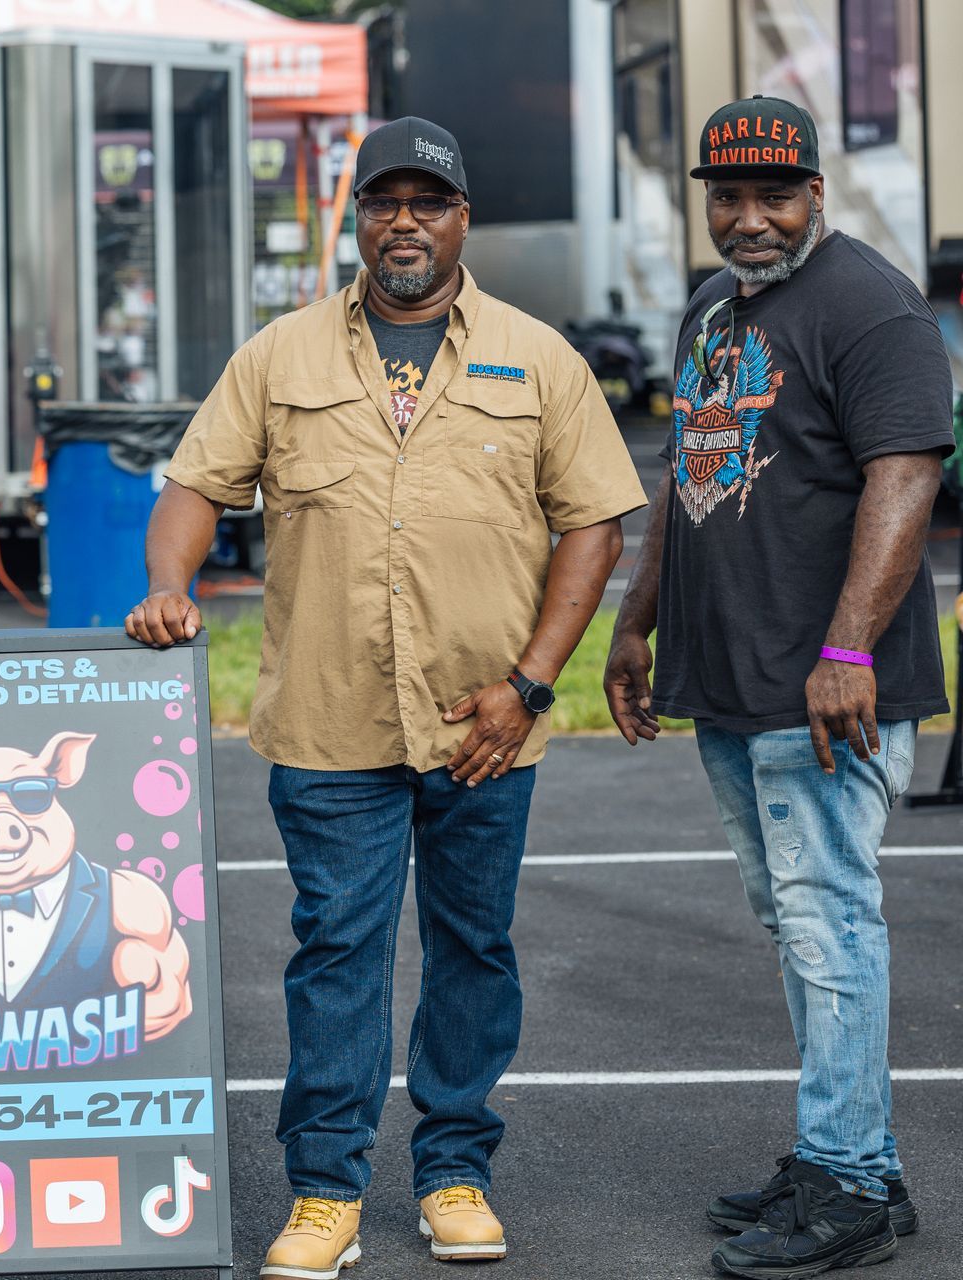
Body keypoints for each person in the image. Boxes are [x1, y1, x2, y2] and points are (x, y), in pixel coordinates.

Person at [126, 117, 645, 1277]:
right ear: (353, 218)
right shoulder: (280, 357)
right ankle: (326, 1191)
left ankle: (455, 1169)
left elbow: (594, 528)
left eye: (428, 201)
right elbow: (194, 485)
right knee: (337, 948)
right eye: (381, 202)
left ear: (464, 220)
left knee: (473, 947)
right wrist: (168, 582)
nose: (402, 221)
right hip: (330, 718)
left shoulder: (537, 357)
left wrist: (529, 685)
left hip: (485, 720)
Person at [604, 96, 953, 1280]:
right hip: (732, 677)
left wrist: (849, 648)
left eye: (775, 195)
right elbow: (682, 470)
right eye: (728, 197)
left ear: (818, 193)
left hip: (828, 686)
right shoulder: (714, 305)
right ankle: (852, 1155)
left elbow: (905, 477)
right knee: (796, 924)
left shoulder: (872, 304)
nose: (749, 219)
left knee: (827, 919)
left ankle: (848, 1181)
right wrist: (635, 621)